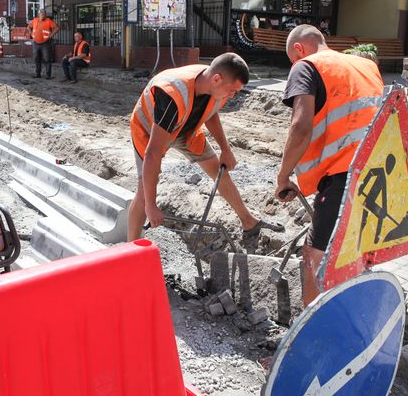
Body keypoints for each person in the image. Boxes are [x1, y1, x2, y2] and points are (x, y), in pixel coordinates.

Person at [274, 24, 383, 307]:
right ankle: (350, 312)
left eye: (293, 59)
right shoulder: (366, 65)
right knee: (355, 250)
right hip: (377, 172)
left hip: (342, 177)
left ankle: (309, 338)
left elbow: (300, 127)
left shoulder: (307, 66)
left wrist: (283, 176)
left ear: (299, 49)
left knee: (314, 255)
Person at [128, 52, 284, 241]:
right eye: (232, 90)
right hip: (150, 130)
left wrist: (225, 149)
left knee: (218, 170)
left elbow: (211, 112)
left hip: (186, 128)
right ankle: (132, 247)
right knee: (144, 192)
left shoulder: (215, 85)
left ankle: (248, 221)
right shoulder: (172, 93)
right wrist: (151, 206)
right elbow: (153, 153)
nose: (233, 95)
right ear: (217, 79)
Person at [26, 9, 59, 79]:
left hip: (45, 43)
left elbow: (57, 28)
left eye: (44, 14)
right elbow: (28, 27)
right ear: (39, 15)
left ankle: (48, 75)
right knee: (36, 59)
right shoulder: (35, 20)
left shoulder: (49, 21)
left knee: (47, 59)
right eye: (42, 14)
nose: (43, 16)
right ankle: (38, 74)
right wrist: (31, 33)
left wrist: (51, 35)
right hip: (36, 43)